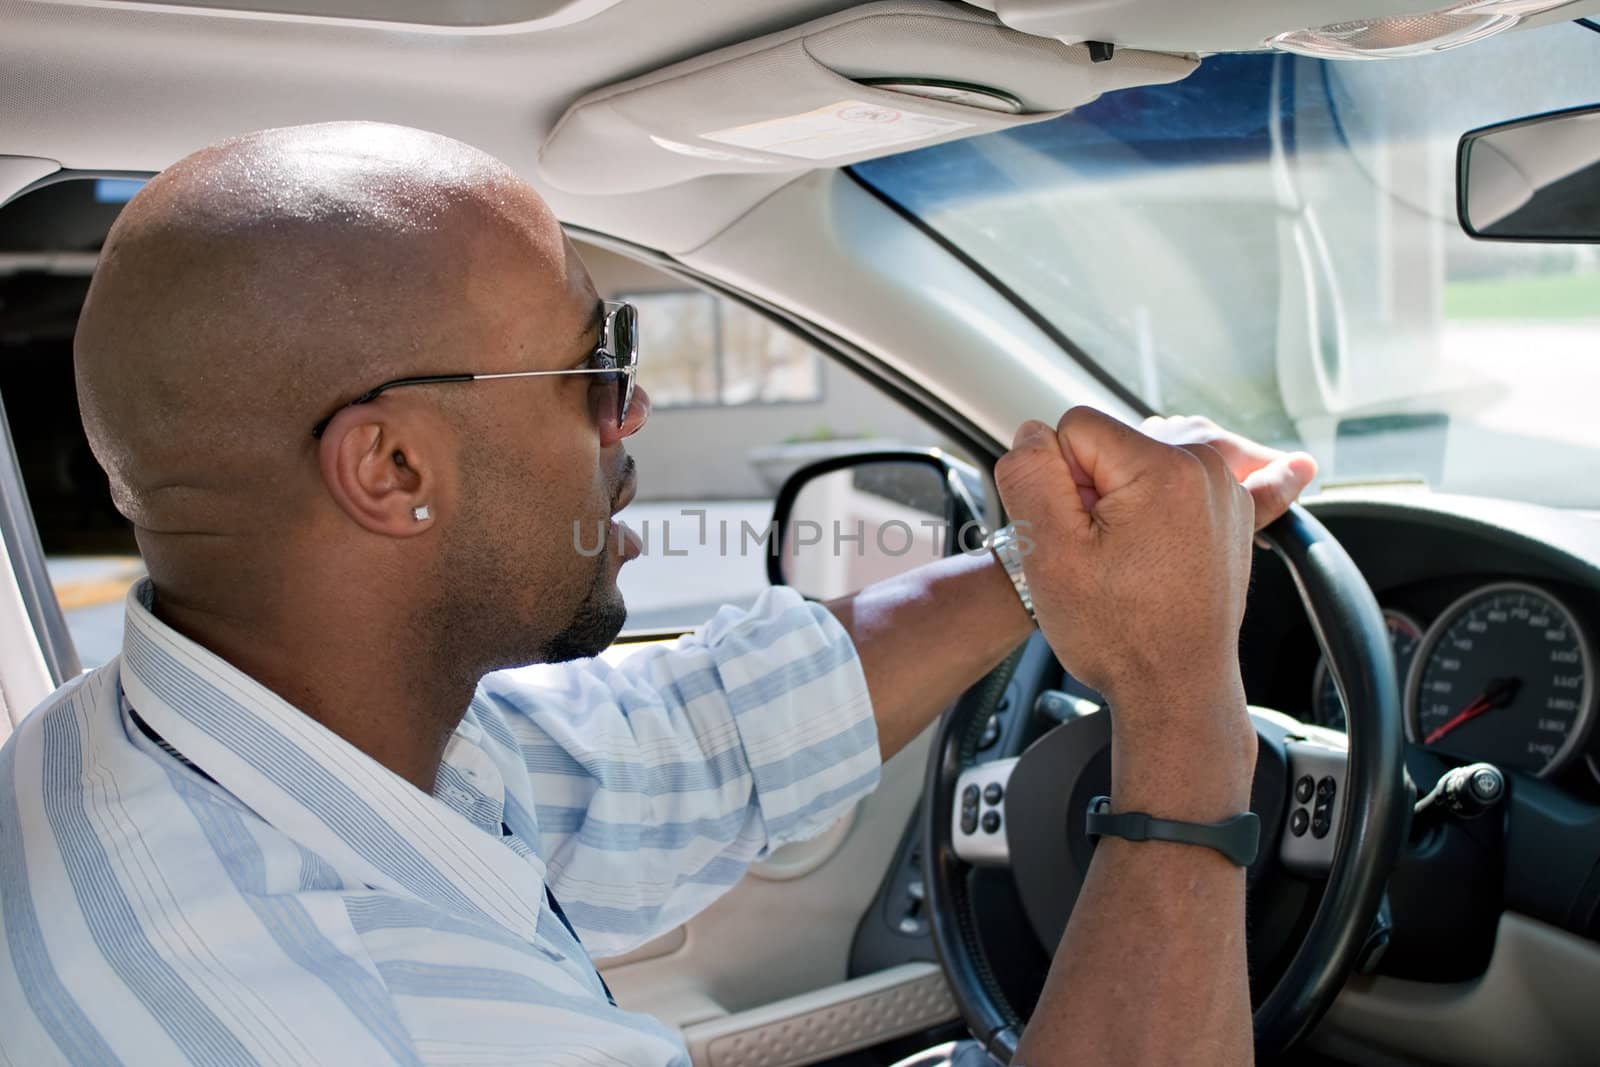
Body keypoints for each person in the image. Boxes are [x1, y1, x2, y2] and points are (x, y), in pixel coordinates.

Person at [0, 122, 1315, 1066]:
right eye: (593, 366)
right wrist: (1185, 707)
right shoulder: (377, 1020)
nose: (633, 408)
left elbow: (689, 738)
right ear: (393, 466)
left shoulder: (158, 740)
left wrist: (1050, 562)